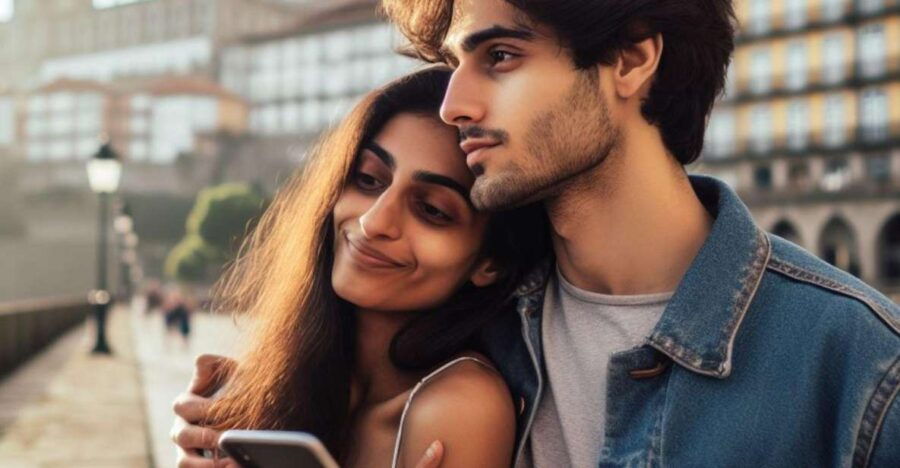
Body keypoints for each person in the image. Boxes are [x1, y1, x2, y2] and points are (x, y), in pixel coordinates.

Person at [177, 0, 900, 466]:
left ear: (630, 60)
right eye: (457, 64)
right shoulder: (467, 336)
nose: (456, 104)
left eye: (500, 57)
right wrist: (269, 410)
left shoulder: (858, 366)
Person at [170, 67, 549, 468]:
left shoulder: (460, 405)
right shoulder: (288, 377)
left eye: (432, 210)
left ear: (491, 263)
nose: (373, 223)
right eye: (368, 180)